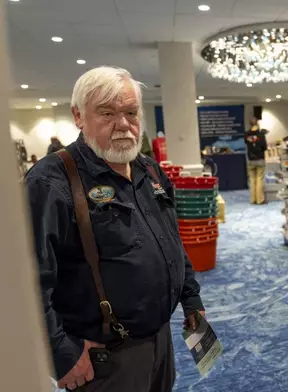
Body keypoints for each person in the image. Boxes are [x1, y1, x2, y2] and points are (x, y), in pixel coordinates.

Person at [25, 66, 206, 391]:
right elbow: (24, 283)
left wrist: (191, 299)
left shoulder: (149, 170)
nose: (123, 124)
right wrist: (61, 353)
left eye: (131, 113)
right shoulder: (51, 181)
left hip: (160, 342)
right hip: (104, 360)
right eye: (107, 113)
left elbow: (171, 242)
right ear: (79, 116)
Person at [245, 117, 268, 204]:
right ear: (257, 123)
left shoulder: (246, 134)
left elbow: (247, 143)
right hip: (260, 159)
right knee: (259, 179)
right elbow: (265, 147)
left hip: (251, 159)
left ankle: (253, 199)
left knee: (252, 180)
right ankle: (260, 200)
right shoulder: (261, 134)